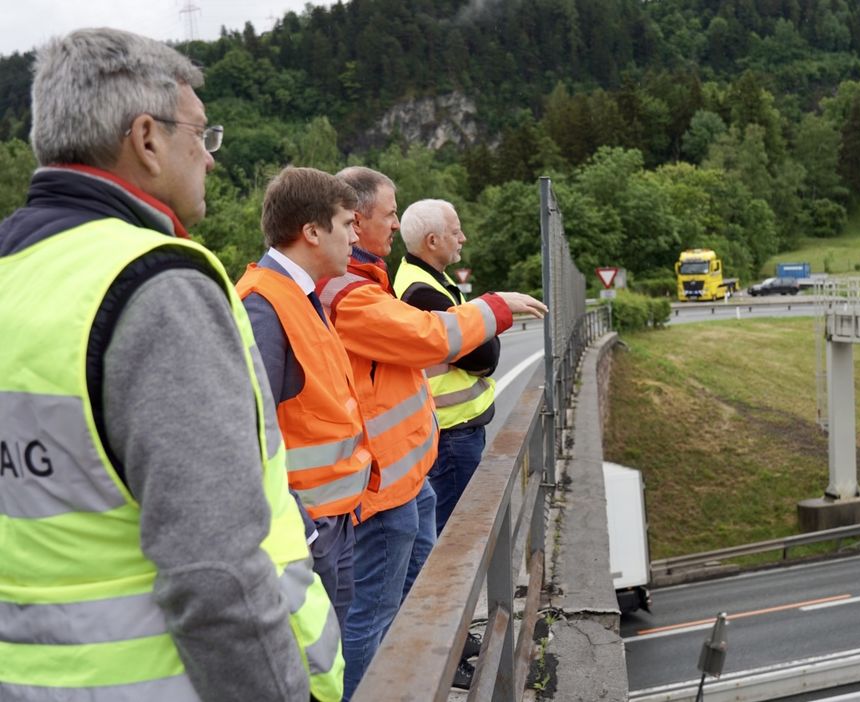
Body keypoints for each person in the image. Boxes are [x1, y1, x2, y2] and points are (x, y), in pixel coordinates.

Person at [0, 29, 343, 701]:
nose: (210, 159)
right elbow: (215, 576)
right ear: (146, 139)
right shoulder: (155, 287)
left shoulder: (16, 275)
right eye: (202, 135)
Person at [318, 166, 547, 698]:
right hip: (381, 486)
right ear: (353, 221)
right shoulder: (352, 292)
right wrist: (492, 307)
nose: (393, 225)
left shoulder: (372, 281)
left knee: (415, 586)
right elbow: (439, 341)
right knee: (374, 614)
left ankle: (426, 667)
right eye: (388, 214)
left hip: (407, 473)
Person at [236, 166, 374, 636]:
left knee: (329, 660)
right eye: (347, 224)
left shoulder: (299, 295)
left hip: (332, 524)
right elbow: (243, 434)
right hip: (308, 534)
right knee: (311, 665)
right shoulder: (263, 302)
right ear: (312, 231)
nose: (354, 238)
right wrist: (306, 531)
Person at [393, 199, 498, 535]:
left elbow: (480, 343)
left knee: (454, 533)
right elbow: (484, 357)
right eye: (456, 232)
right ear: (433, 241)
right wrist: (487, 324)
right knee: (458, 538)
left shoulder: (432, 282)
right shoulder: (422, 292)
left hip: (455, 430)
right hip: (452, 433)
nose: (463, 238)